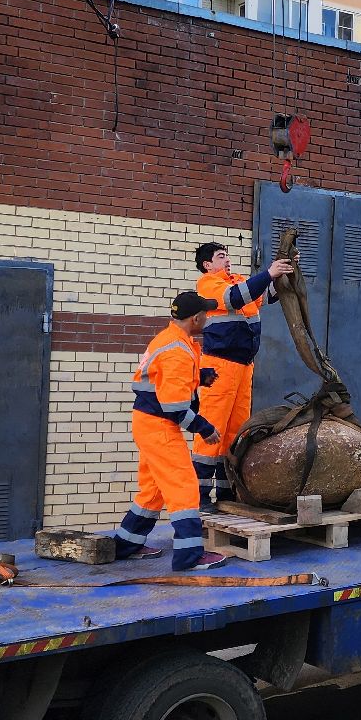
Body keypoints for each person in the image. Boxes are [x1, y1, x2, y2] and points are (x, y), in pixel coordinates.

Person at [113, 290, 233, 570]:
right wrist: (205, 429)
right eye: (205, 313)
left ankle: (127, 544)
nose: (208, 317)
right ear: (196, 318)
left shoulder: (171, 339)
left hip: (146, 423)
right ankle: (189, 556)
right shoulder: (178, 351)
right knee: (184, 486)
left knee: (152, 490)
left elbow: (161, 380)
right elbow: (175, 408)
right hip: (160, 426)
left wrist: (198, 377)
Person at [189, 243, 296, 505]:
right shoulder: (208, 284)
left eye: (227, 256)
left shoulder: (237, 281)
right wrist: (269, 273)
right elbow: (235, 298)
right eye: (221, 256)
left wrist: (285, 269)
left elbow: (267, 294)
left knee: (234, 434)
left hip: (243, 368)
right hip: (220, 367)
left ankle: (227, 494)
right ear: (207, 264)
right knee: (211, 432)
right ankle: (199, 500)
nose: (227, 260)